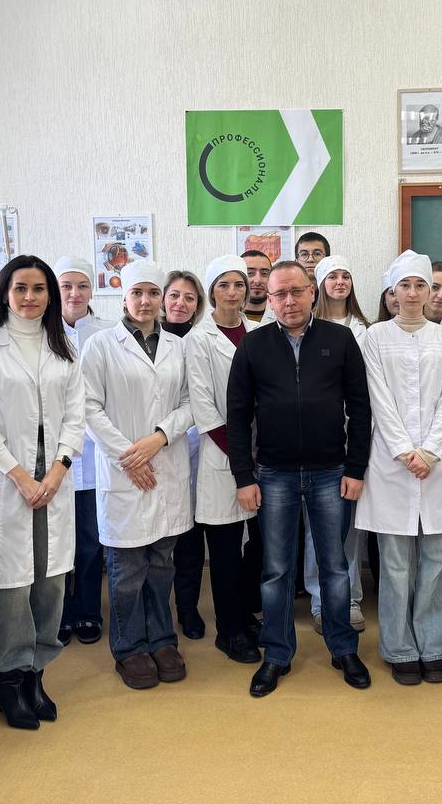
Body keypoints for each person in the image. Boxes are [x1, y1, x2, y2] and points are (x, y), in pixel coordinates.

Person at [227, 260, 373, 697]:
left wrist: (356, 468)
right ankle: (277, 653)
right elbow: (238, 416)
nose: (288, 301)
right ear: (268, 299)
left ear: (312, 292)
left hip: (331, 472)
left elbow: (360, 408)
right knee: (276, 570)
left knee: (335, 566)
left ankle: (343, 647)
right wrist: (243, 476)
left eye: (296, 291)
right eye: (279, 294)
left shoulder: (340, 339)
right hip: (274, 474)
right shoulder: (253, 345)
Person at [0, 255, 85, 730]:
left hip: (54, 478)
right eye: (20, 288)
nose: (29, 297)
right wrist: (21, 477)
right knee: (8, 587)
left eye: (38, 288)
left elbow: (75, 416)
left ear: (50, 295)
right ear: (4, 293)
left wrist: (58, 470)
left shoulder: (64, 346)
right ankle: (10, 682)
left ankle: (36, 675)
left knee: (49, 582)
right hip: (5, 477)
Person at [356, 251, 442, 685]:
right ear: (392, 291)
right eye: (404, 285)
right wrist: (406, 451)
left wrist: (431, 452)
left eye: (419, 285)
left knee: (437, 559)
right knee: (395, 563)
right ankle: (400, 648)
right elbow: (377, 399)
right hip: (392, 463)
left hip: (438, 464)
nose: (411, 293)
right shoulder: (374, 337)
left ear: (430, 291)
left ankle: (433, 645)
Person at [81, 261, 193, 690]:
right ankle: (128, 647)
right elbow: (88, 407)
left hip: (165, 462)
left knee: (161, 564)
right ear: (124, 298)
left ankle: (162, 640)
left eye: (152, 293)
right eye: (137, 293)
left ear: (161, 298)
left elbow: (191, 402)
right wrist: (130, 455)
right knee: (126, 568)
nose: (145, 301)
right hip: (124, 470)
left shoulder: (177, 346)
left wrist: (159, 438)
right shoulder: (100, 346)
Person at [177, 256, 268, 666]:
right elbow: (203, 407)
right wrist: (243, 456)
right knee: (226, 549)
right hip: (223, 457)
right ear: (212, 291)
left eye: (239, 284)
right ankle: (229, 631)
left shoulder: (258, 332)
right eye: (224, 285)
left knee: (258, 545)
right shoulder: (198, 339)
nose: (233, 292)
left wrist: (261, 450)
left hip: (260, 456)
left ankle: (246, 616)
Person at [55, 257, 115, 647]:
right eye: (66, 286)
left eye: (82, 285)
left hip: (94, 455)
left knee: (92, 541)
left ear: (92, 289)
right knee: (58, 542)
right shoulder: (41, 333)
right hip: (56, 458)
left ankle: (89, 611)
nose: (75, 294)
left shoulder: (108, 332)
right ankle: (59, 614)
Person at [310, 255, 369, 632]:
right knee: (316, 527)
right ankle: (320, 599)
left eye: (346, 275)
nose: (340, 282)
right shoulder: (306, 327)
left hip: (357, 439)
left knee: (348, 525)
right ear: (319, 285)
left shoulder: (366, 329)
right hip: (318, 441)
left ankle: (349, 598)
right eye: (332, 276)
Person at [160, 270, 208, 640]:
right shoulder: (146, 339)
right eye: (174, 295)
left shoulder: (202, 340)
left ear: (198, 305)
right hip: (155, 447)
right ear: (163, 299)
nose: (181, 303)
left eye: (189, 298)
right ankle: (158, 612)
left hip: (195, 446)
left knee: (190, 538)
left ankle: (187, 609)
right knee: (159, 542)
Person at [241, 249, 274, 323]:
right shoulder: (222, 316)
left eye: (264, 273)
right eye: (250, 273)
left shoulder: (284, 314)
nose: (258, 281)